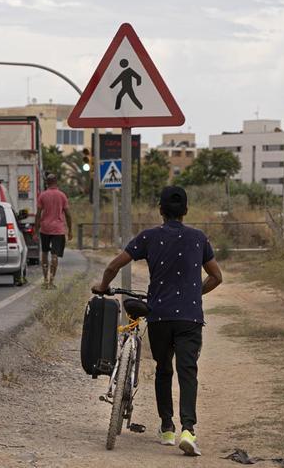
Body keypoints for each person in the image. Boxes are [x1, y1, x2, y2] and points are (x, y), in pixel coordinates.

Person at [91, 186, 223, 457]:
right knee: (188, 372)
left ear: (160, 210)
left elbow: (113, 266)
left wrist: (103, 286)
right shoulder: (198, 239)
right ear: (185, 211)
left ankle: (166, 428)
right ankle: (188, 430)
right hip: (189, 318)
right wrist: (194, 293)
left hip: (160, 316)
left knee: (164, 369)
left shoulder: (148, 237)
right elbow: (216, 277)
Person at [33, 174, 72, 289]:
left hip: (45, 228)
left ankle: (45, 280)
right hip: (58, 230)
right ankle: (51, 281)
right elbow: (68, 214)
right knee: (54, 255)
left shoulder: (42, 195)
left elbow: (38, 214)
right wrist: (70, 230)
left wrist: (36, 230)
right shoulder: (62, 196)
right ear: (56, 182)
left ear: (47, 183)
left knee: (45, 253)